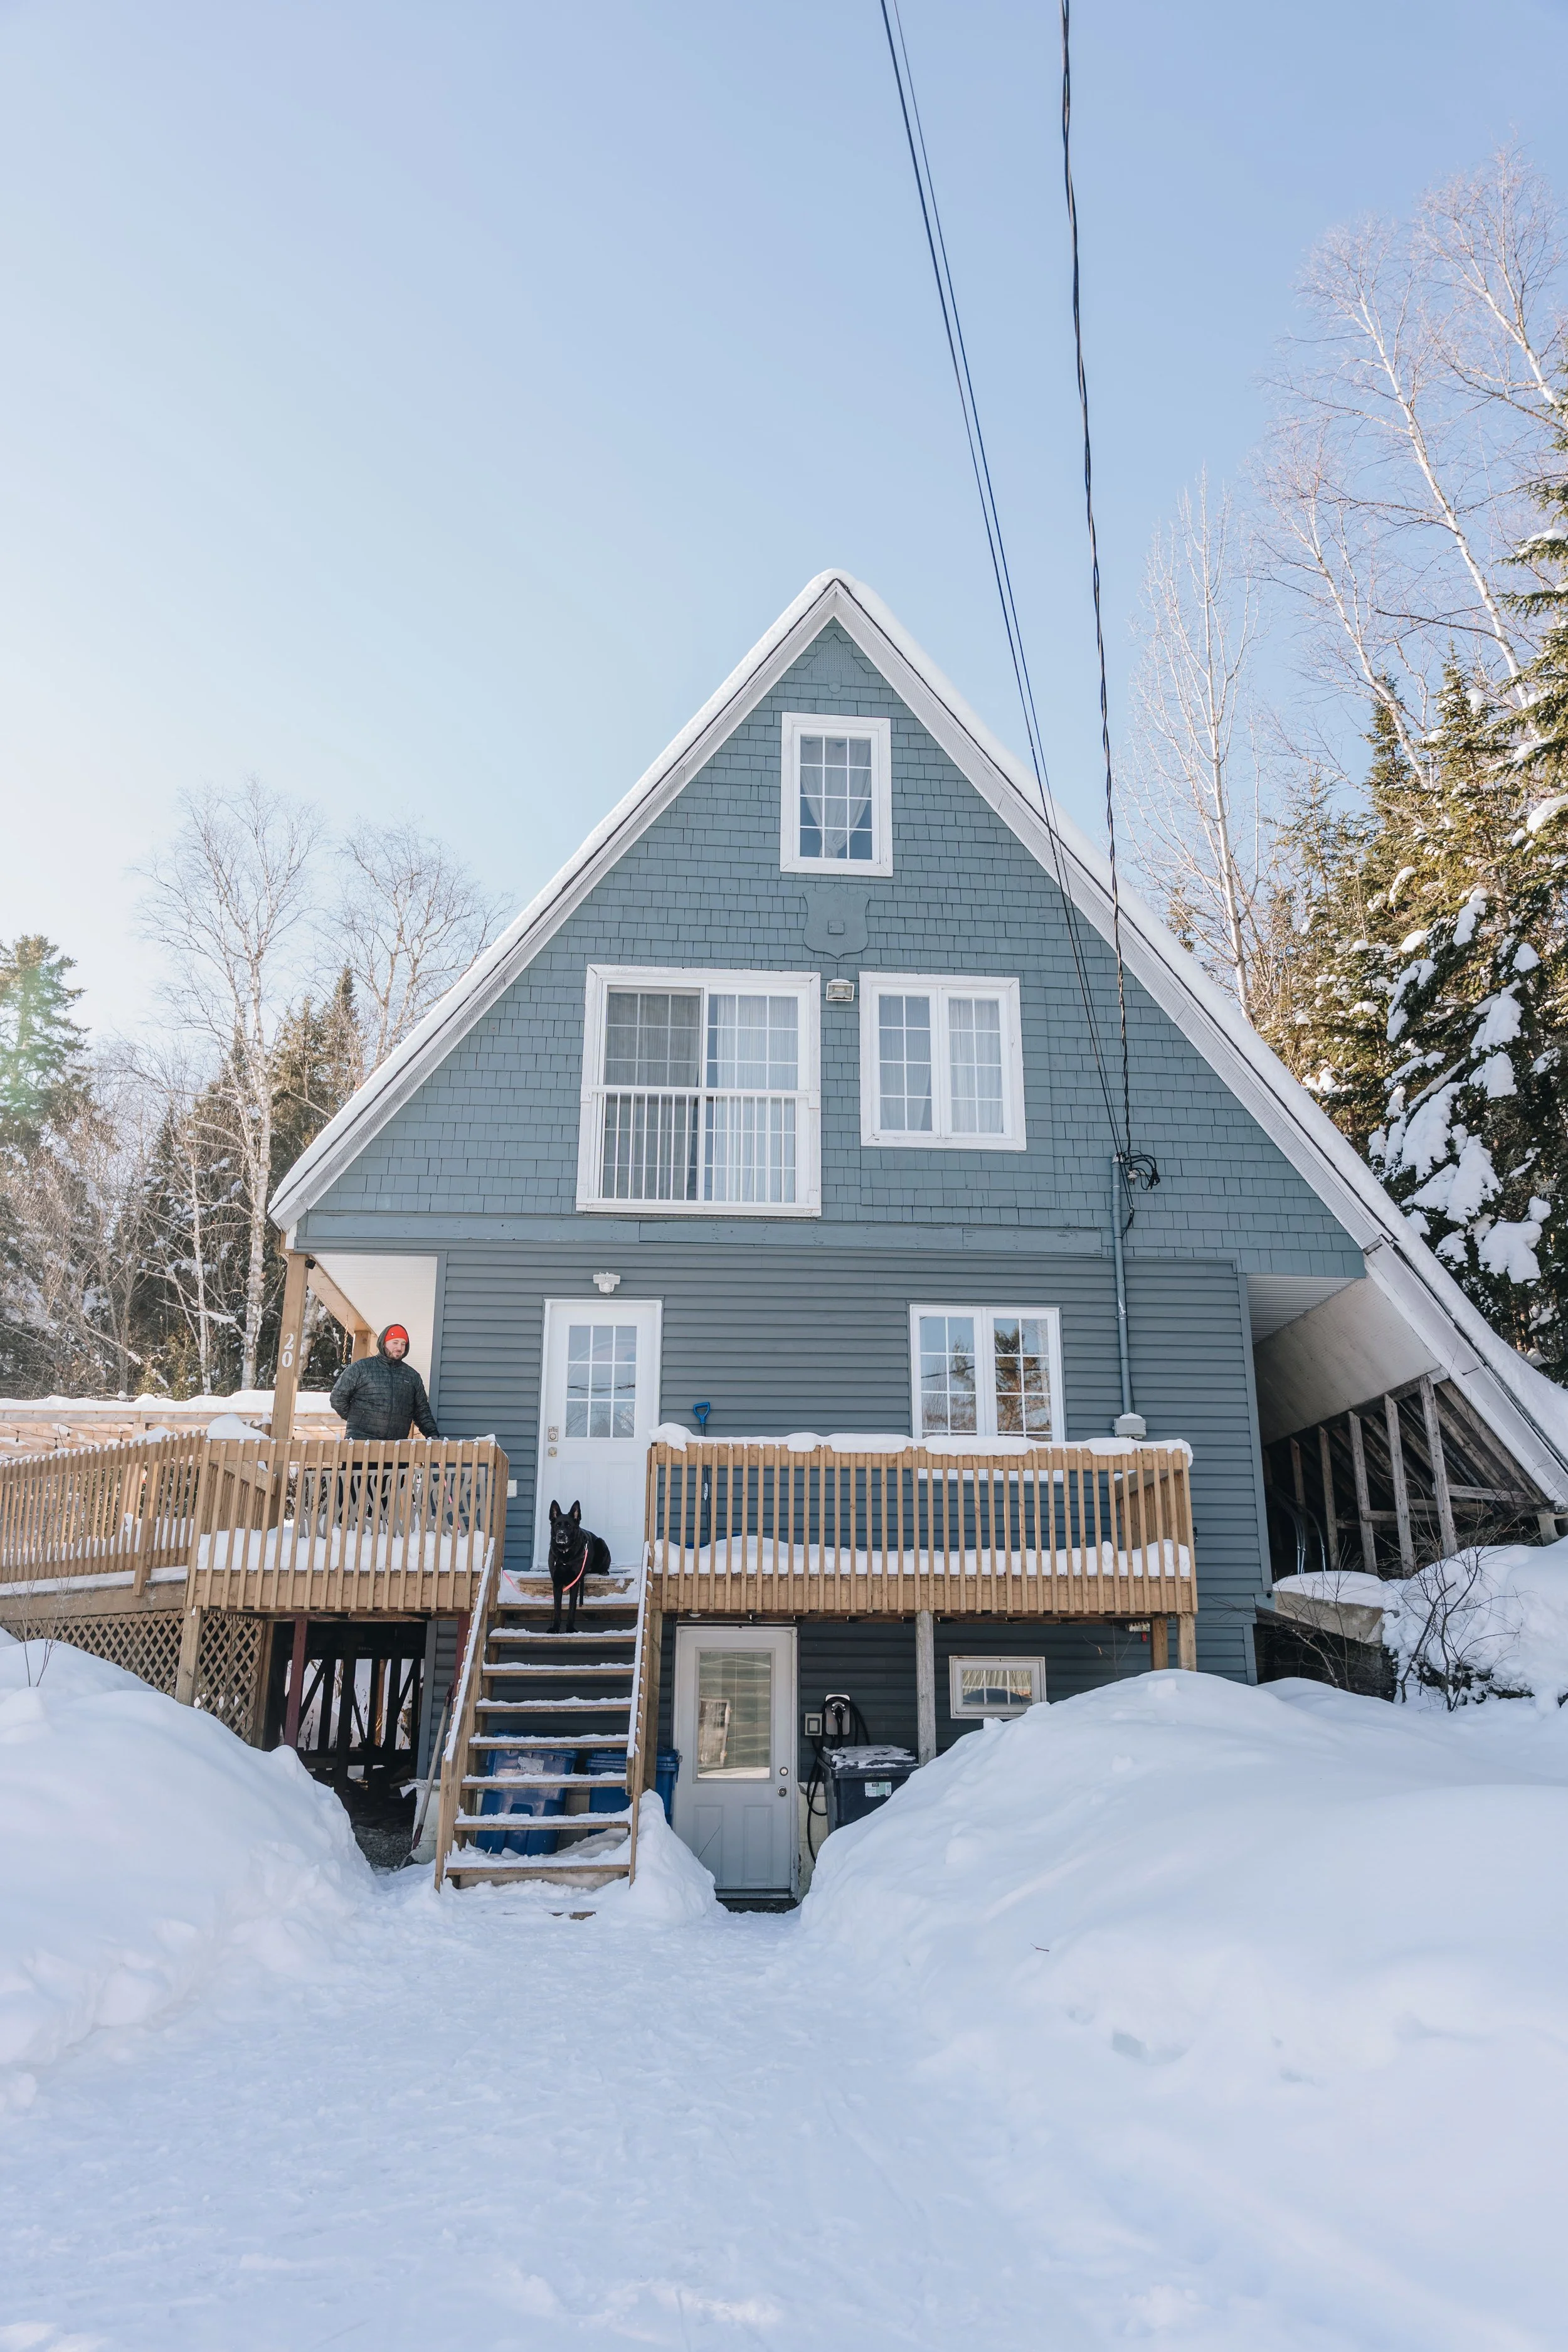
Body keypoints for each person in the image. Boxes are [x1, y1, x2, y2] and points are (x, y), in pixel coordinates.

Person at [329, 1325, 440, 1442]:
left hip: (395, 1446)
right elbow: (337, 1398)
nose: (399, 1348)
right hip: (360, 1443)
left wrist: (432, 1434)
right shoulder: (360, 1368)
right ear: (383, 1343)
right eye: (395, 1343)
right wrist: (358, 1418)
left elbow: (422, 1411)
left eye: (403, 1344)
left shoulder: (413, 1377)